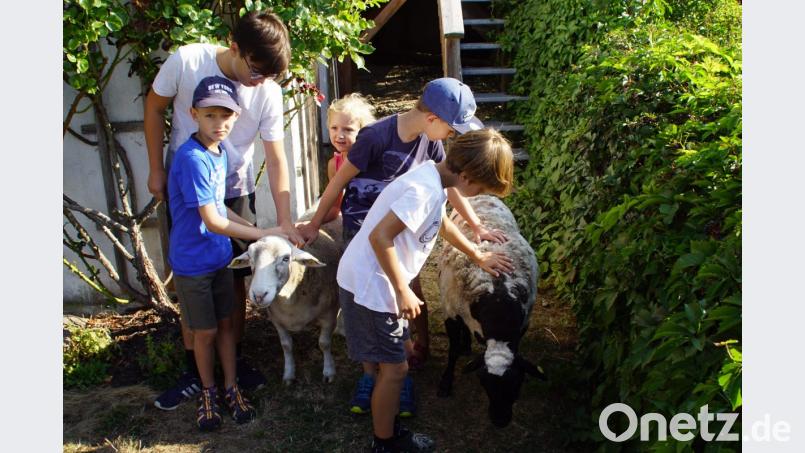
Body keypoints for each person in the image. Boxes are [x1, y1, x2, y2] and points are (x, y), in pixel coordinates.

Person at [297, 78, 509, 416]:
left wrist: (475, 239)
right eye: (453, 129)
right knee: (377, 314)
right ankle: (380, 379)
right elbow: (340, 183)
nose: (454, 136)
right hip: (368, 240)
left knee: (404, 305)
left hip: (402, 240)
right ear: (433, 119)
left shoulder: (433, 152)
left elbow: (445, 201)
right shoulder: (376, 138)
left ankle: (400, 366)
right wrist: (313, 223)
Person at [145, 11, 306, 410]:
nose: (261, 82)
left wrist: (283, 221)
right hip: (188, 188)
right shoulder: (186, 60)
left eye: (270, 75)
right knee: (193, 277)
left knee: (234, 280)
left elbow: (277, 157)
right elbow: (153, 109)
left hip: (232, 189)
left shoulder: (267, 89)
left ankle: (235, 363)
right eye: (255, 70)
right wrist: (154, 170)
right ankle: (194, 373)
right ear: (234, 48)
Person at [337, 128, 515, 452]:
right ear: (466, 176)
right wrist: (403, 289)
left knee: (399, 362)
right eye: (479, 189)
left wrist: (476, 253)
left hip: (383, 281)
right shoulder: (422, 189)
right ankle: (384, 443)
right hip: (372, 286)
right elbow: (380, 238)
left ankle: (390, 426)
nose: (475, 196)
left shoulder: (434, 179)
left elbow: (439, 221)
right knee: (394, 370)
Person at [168, 76, 284, 430]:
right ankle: (208, 390)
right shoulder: (191, 159)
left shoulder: (218, 154)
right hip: (193, 265)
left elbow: (221, 206)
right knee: (203, 333)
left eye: (226, 116)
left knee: (226, 327)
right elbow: (213, 220)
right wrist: (261, 233)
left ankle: (231, 387)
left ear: (236, 117)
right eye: (210, 116)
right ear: (194, 114)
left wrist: (261, 231)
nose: (219, 124)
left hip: (219, 258)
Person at [321, 93, 376, 223]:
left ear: (363, 132)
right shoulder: (334, 165)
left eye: (348, 130)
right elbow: (335, 207)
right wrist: (312, 223)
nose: (339, 135)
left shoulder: (373, 159)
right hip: (353, 222)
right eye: (334, 128)